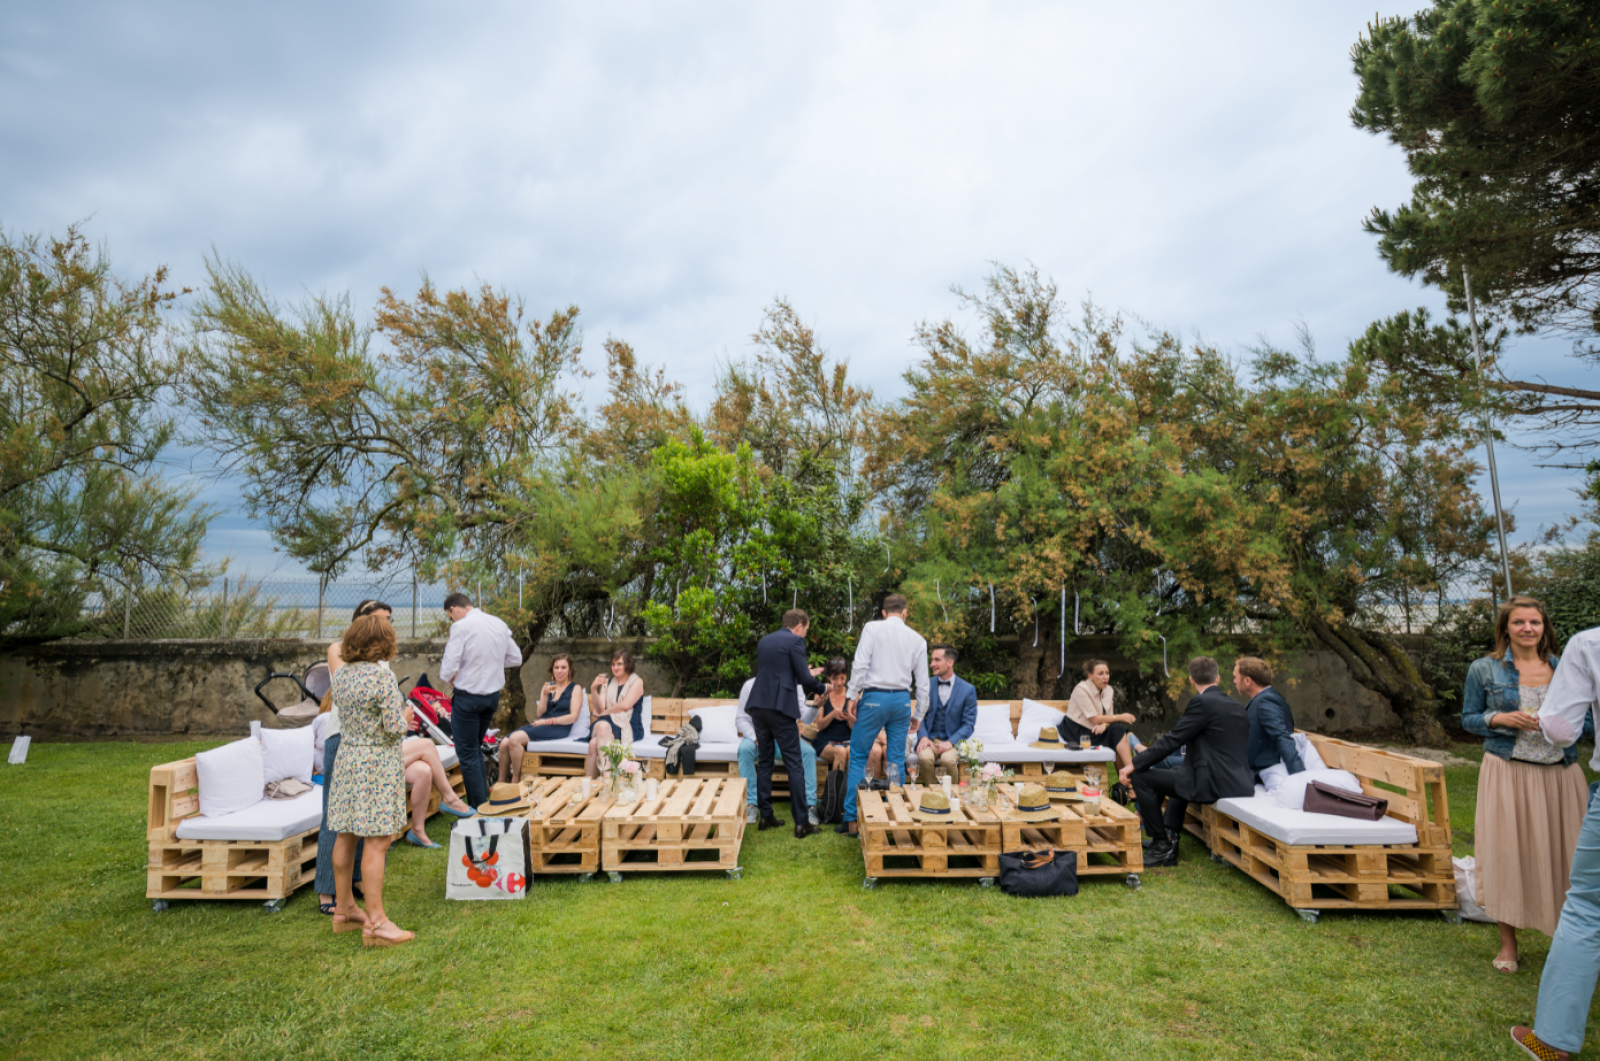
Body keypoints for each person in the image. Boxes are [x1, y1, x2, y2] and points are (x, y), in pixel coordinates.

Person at [314, 600, 472, 910]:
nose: (387, 625)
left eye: (389, 619)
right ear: (361, 623)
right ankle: (329, 890)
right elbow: (375, 705)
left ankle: (352, 887)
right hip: (345, 739)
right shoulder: (341, 652)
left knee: (359, 823)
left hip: (366, 743)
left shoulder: (376, 667)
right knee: (339, 821)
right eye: (380, 620)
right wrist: (402, 719)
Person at [1462, 596, 1589, 975]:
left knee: (1570, 858)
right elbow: (1468, 719)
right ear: (1506, 629)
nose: (1528, 629)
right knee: (1507, 855)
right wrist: (1501, 717)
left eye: (1535, 622)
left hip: (1560, 774)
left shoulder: (1568, 669)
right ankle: (1508, 943)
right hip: (1507, 771)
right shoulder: (1484, 669)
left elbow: (1589, 721)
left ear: (1544, 627)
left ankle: (1566, 942)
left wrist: (1562, 727)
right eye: (1519, 623)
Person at [1509, 623, 1600, 1060]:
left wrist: (1544, 717)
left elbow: (1563, 731)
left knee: (1587, 909)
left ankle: (1551, 1044)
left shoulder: (1589, 645)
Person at [326, 612, 414, 946]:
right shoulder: (381, 678)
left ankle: (345, 908)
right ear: (383, 643)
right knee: (376, 840)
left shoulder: (342, 675)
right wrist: (405, 718)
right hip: (375, 763)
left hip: (348, 759)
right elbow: (393, 728)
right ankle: (376, 922)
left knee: (346, 835)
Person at [1119, 655, 1251, 868]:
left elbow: (1173, 740)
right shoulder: (1236, 706)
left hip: (1212, 783)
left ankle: (1161, 845)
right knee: (1179, 772)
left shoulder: (1201, 702)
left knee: (1141, 776)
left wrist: (1134, 764)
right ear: (1217, 679)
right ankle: (1169, 839)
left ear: (1191, 680)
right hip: (1240, 781)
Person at [839, 594, 930, 837]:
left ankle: (851, 820)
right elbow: (922, 684)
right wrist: (919, 713)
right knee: (897, 759)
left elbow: (859, 665)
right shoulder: (918, 639)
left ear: (883, 612)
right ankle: (896, 815)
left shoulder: (872, 628)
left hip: (874, 698)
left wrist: (851, 697)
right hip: (901, 700)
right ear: (905, 613)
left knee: (858, 755)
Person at [746, 609, 829, 837]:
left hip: (758, 706)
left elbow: (780, 672)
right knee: (794, 764)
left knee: (765, 761)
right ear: (799, 626)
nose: (804, 636)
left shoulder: (765, 641)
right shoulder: (795, 642)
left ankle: (766, 816)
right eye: (806, 631)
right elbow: (804, 678)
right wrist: (823, 688)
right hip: (779, 708)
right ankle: (802, 823)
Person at [439, 592, 524, 809]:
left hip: (468, 697)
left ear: (453, 610)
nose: (452, 620)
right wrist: (491, 663)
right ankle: (482, 800)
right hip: (491, 698)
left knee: (467, 751)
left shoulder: (460, 627)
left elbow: (448, 667)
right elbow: (515, 658)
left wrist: (453, 676)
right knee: (475, 748)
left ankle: (478, 807)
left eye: (451, 616)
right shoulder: (498, 623)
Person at [735, 673, 819, 828]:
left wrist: (815, 706)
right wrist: (755, 737)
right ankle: (751, 805)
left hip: (785, 738)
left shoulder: (794, 685)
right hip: (757, 737)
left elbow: (806, 718)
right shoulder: (750, 685)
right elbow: (741, 719)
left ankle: (810, 806)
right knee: (745, 750)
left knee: (809, 752)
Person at [498, 654, 583, 784]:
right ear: (552, 670)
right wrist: (544, 694)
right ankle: (501, 781)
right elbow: (540, 713)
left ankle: (515, 781)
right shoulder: (549, 686)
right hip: (541, 724)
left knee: (515, 740)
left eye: (563, 667)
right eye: (556, 667)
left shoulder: (575, 689)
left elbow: (573, 717)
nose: (560, 671)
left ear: (570, 670)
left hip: (559, 728)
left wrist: (547, 721)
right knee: (504, 743)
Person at [1059, 659, 1137, 774]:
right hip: (1076, 731)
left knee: (1118, 732)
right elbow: (1094, 718)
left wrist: (1104, 726)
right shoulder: (1081, 689)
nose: (1105, 677)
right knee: (1117, 734)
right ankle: (1133, 782)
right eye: (1100, 674)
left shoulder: (1109, 690)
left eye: (1107, 673)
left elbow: (1108, 716)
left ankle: (1129, 781)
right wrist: (1121, 717)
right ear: (1090, 675)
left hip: (1096, 730)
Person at [1236, 656, 1304, 782]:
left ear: (1247, 681)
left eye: (1236, 677)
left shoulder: (1266, 701)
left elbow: (1281, 736)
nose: (1234, 681)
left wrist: (1300, 777)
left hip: (1263, 774)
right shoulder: (1262, 699)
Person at [916, 645, 977, 784]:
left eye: (937, 660)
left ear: (950, 663)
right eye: (932, 660)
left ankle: (951, 796)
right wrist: (923, 737)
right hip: (930, 738)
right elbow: (919, 715)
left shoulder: (968, 690)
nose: (932, 664)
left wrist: (951, 742)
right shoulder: (926, 685)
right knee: (924, 759)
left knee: (948, 760)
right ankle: (935, 795)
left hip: (953, 740)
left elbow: (968, 725)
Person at [585, 648, 645, 777]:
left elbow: (625, 705)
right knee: (602, 726)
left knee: (593, 744)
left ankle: (594, 783)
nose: (615, 667)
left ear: (627, 665)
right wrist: (594, 689)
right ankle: (606, 780)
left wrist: (604, 713)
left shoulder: (637, 681)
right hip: (607, 723)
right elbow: (600, 708)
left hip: (627, 725)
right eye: (613, 664)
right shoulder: (609, 683)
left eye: (619, 664)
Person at [809, 658, 855, 774]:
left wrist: (849, 717)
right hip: (826, 741)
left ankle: (850, 790)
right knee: (840, 752)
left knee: (850, 751)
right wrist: (832, 714)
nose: (839, 682)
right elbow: (819, 725)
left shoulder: (852, 695)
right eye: (835, 678)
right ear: (829, 677)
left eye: (842, 678)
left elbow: (855, 728)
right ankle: (836, 791)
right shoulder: (822, 693)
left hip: (848, 739)